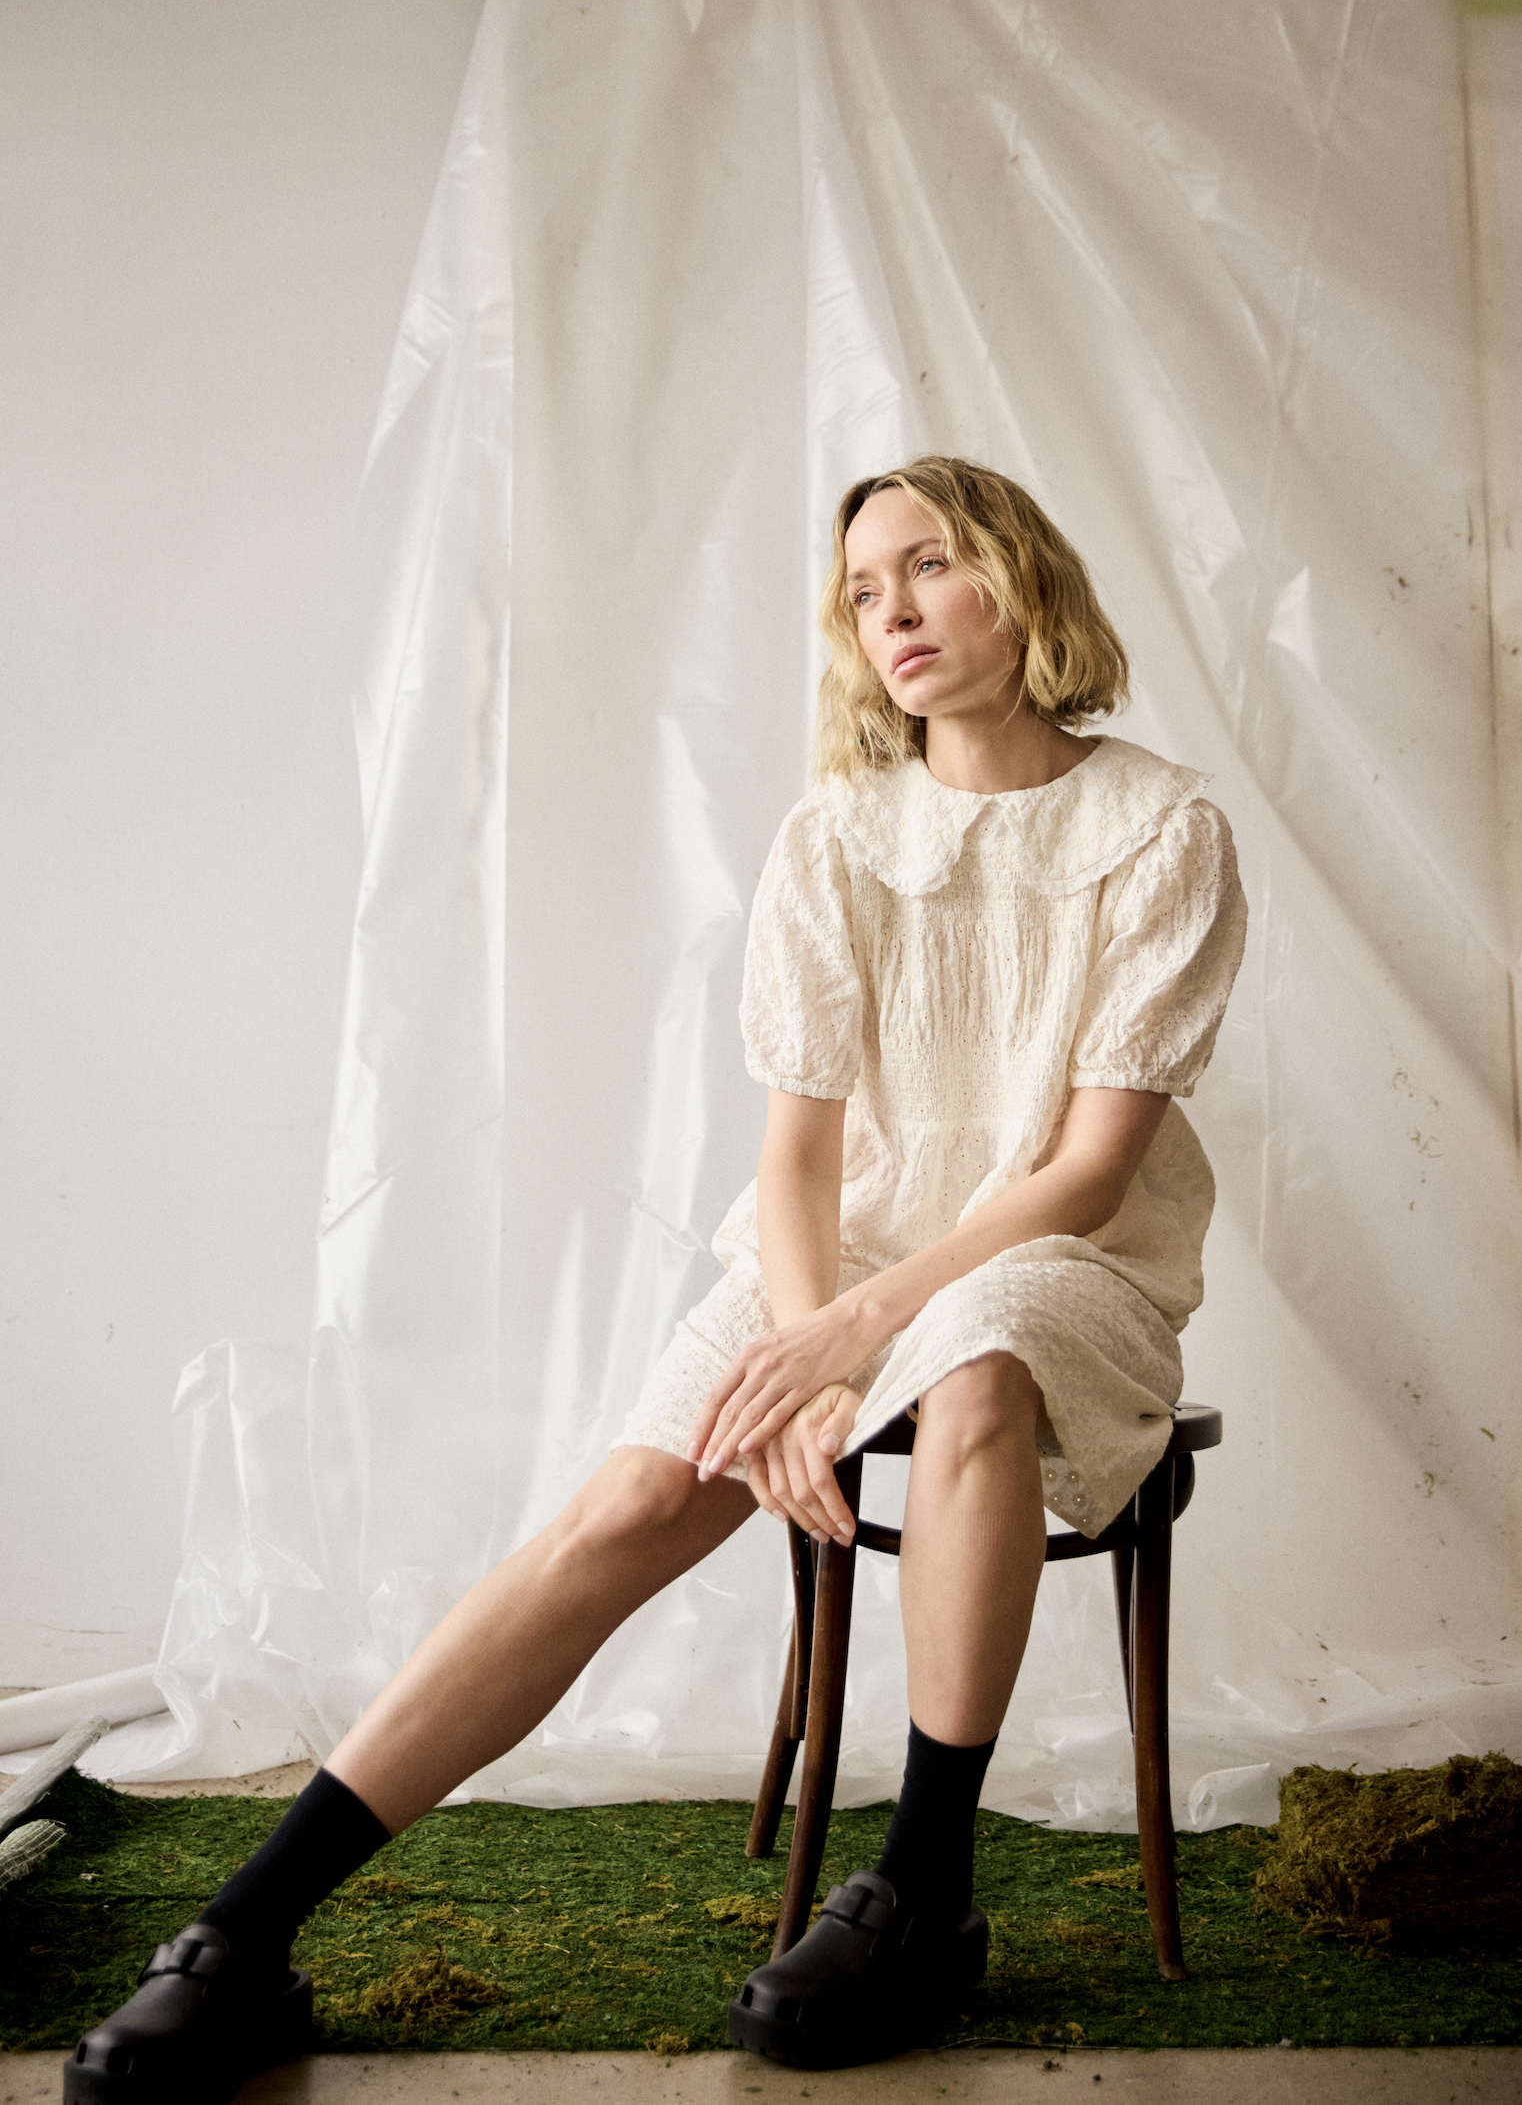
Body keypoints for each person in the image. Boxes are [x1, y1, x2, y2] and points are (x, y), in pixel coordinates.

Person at [64, 456, 1245, 2100]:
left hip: (1059, 1262)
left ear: (1020, 578)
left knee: (976, 1365)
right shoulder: (835, 834)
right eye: (861, 591)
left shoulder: (1165, 827)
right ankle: (239, 1937)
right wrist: (813, 1339)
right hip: (836, 1253)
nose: (890, 612)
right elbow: (797, 1167)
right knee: (620, 1507)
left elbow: (1085, 1172)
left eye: (927, 566)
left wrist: (852, 1339)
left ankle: (921, 1894)